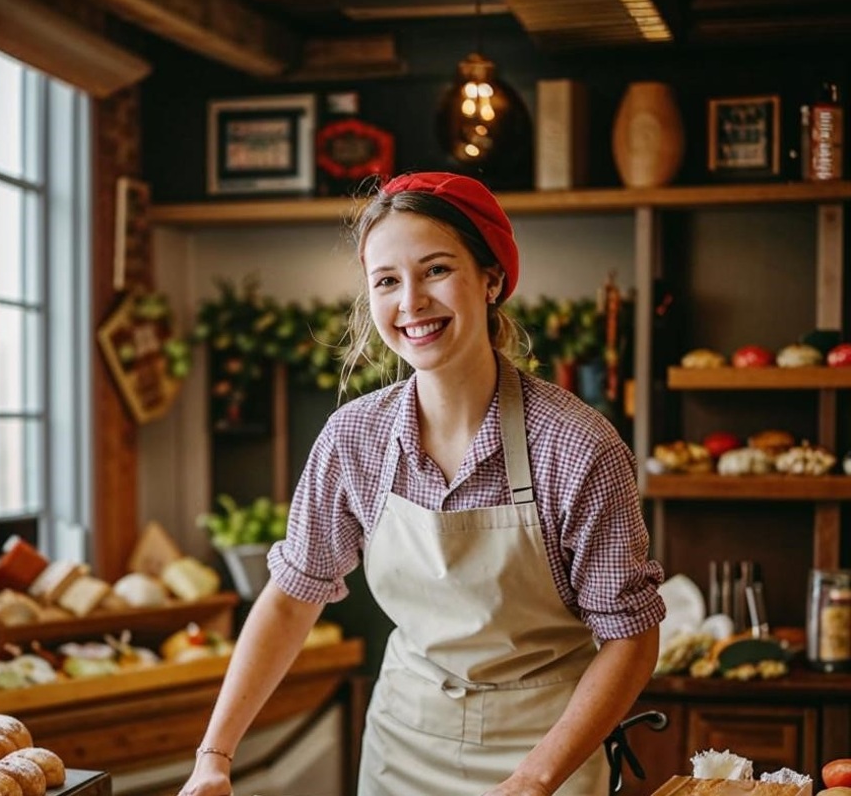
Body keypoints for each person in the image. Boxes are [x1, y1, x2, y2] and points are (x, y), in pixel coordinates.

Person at [178, 171, 665, 796]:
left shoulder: (576, 446)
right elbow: (292, 596)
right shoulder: (353, 439)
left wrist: (535, 780)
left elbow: (631, 638)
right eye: (386, 281)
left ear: (491, 279)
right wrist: (215, 755)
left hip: (549, 751)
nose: (410, 302)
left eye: (436, 269)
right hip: (403, 747)